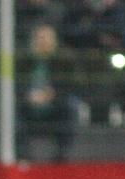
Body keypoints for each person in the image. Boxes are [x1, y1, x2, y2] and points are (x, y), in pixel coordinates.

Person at [18, 23, 79, 162]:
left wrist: (52, 94)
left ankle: (63, 154)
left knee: (71, 105)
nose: (43, 41)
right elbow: (15, 85)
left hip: (55, 106)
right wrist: (27, 96)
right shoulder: (24, 60)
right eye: (40, 38)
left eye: (46, 38)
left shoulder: (64, 59)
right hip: (28, 105)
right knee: (11, 108)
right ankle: (22, 155)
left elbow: (71, 85)